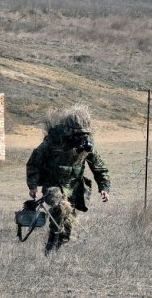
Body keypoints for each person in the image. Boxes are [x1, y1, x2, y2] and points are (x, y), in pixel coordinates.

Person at [26, 104, 111, 254]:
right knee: (60, 207)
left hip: (74, 187)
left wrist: (104, 187)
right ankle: (51, 244)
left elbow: (99, 167)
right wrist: (33, 186)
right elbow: (34, 162)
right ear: (68, 130)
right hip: (52, 185)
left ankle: (57, 247)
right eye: (77, 134)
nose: (80, 137)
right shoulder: (53, 140)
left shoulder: (87, 145)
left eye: (83, 134)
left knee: (68, 220)